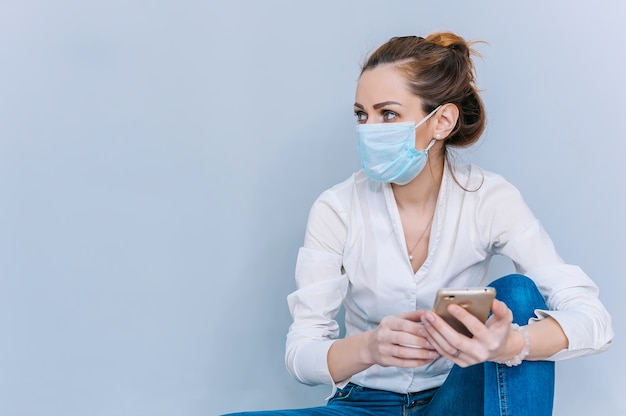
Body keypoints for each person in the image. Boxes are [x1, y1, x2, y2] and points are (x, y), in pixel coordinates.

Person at [224, 32, 613, 415]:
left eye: (388, 114)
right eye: (362, 115)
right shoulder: (336, 208)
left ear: (441, 121)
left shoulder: (490, 199)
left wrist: (510, 345)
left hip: (455, 400)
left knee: (519, 292)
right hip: (364, 405)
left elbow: (594, 321)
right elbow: (301, 352)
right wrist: (370, 347)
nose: (368, 130)